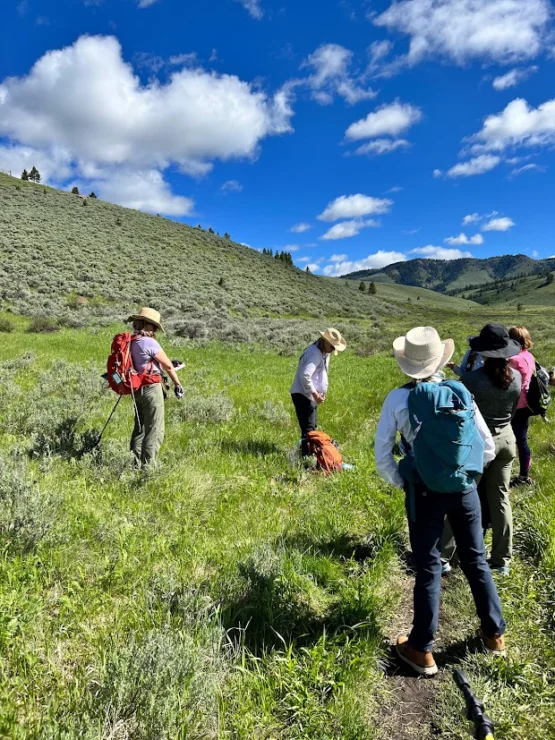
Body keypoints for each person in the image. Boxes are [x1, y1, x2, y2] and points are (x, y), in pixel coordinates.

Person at [375, 326, 505, 677]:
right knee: (476, 559)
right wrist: (465, 478)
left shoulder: (397, 399)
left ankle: (421, 649)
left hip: (424, 493)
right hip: (464, 491)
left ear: (407, 364)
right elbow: (487, 448)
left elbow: (382, 456)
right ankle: (494, 635)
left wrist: (404, 480)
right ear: (440, 360)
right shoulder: (460, 392)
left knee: (429, 566)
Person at [455, 324, 521, 576]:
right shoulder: (516, 377)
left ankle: (448, 553)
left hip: (479, 445)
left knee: (462, 496)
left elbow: (462, 417)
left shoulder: (470, 381)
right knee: (501, 499)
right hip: (506, 441)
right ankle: (502, 559)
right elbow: (513, 412)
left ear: (482, 352)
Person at [127, 307, 184, 467]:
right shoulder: (149, 342)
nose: (155, 330)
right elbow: (168, 366)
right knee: (155, 430)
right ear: (148, 326)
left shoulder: (131, 341)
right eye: (154, 327)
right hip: (151, 388)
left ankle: (134, 464)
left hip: (136, 388)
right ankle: (148, 468)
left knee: (140, 427)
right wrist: (178, 384)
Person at [290, 328, 346, 456]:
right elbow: (305, 376)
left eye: (334, 347)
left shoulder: (324, 352)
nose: (333, 350)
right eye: (332, 346)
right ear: (324, 341)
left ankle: (310, 454)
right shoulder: (314, 354)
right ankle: (307, 458)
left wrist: (319, 392)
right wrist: (315, 394)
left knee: (311, 427)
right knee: (309, 430)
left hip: (310, 395)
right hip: (304, 395)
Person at [508, 326, 536, 487]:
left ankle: (517, 474)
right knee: (522, 439)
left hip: (515, 404)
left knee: (514, 439)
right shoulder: (528, 356)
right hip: (527, 403)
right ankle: (524, 474)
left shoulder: (514, 359)